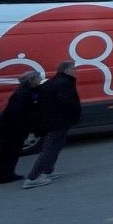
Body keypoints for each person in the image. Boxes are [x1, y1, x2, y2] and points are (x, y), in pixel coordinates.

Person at [24, 61, 81, 189]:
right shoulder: (64, 83)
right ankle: (33, 177)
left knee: (55, 146)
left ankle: (48, 170)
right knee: (51, 148)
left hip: (53, 119)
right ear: (66, 70)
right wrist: (74, 112)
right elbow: (67, 102)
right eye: (73, 68)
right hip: (59, 120)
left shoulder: (55, 81)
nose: (76, 70)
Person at [0, 71, 42, 184]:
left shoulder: (28, 91)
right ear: (32, 80)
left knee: (12, 152)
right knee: (8, 152)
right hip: (10, 128)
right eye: (38, 78)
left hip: (13, 127)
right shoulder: (22, 93)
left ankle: (8, 173)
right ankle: (3, 176)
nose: (40, 79)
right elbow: (15, 112)